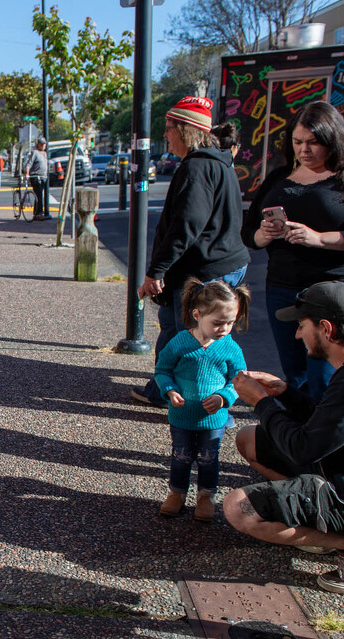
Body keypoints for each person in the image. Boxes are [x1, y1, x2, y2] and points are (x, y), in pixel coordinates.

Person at [223, 281, 344, 595]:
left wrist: (261, 402)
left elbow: (303, 449)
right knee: (249, 439)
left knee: (238, 509)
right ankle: (325, 527)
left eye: (302, 326)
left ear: (326, 329)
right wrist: (285, 392)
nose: (298, 335)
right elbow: (327, 424)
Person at [242, 101, 344, 401]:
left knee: (326, 375)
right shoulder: (280, 175)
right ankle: (302, 426)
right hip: (282, 287)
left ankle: (326, 425)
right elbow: (248, 232)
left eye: (313, 142)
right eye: (297, 142)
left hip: (334, 289)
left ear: (333, 140)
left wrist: (321, 239)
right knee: (295, 374)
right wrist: (263, 234)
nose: (304, 150)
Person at [131, 96, 250, 409]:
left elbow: (186, 226)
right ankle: (162, 390)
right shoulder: (217, 162)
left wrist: (157, 271)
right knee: (175, 330)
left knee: (196, 342)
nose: (165, 135)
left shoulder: (198, 167)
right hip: (215, 263)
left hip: (205, 268)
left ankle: (198, 406)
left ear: (185, 130)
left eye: (169, 128)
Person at [153, 278, 250, 521]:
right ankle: (177, 493)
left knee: (209, 458)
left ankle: (207, 495)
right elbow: (162, 370)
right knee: (181, 456)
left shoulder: (230, 348)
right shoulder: (180, 342)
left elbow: (239, 380)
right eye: (218, 323)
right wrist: (169, 390)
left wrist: (223, 397)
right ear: (197, 315)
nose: (224, 328)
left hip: (213, 419)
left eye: (230, 322)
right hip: (182, 416)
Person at [23, 137, 50, 221]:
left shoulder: (45, 153)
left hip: (43, 177)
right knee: (39, 195)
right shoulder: (35, 152)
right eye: (41, 144)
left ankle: (36, 213)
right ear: (38, 144)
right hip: (36, 177)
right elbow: (28, 164)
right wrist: (27, 174)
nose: (43, 145)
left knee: (39, 195)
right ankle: (39, 213)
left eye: (44, 144)